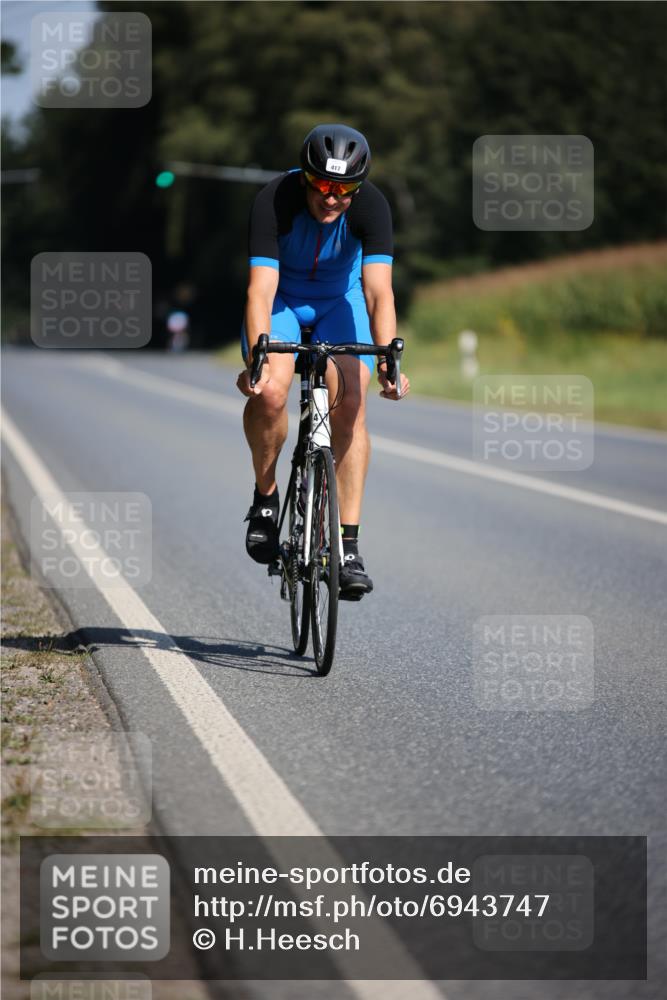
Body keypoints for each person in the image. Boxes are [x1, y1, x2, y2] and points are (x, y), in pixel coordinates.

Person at [237, 123, 409, 599]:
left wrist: (387, 360)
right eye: (323, 187)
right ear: (306, 178)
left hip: (340, 300)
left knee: (352, 402)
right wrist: (258, 359)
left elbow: (378, 292)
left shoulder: (372, 206)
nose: (333, 199)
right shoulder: (273, 200)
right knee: (271, 391)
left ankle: (347, 547)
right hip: (284, 301)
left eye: (345, 190)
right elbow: (260, 290)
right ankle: (266, 499)